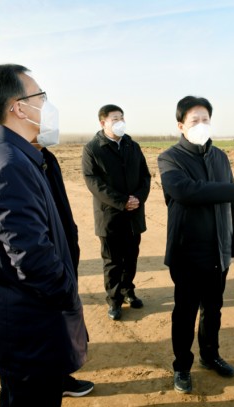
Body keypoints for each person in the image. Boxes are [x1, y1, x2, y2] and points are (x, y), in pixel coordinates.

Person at [0, 64, 89, 406]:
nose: (47, 105)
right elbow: (32, 259)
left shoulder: (4, 153)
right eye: (41, 96)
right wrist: (67, 293)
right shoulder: (8, 165)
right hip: (29, 327)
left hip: (20, 319)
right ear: (18, 107)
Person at [157, 96, 234, 394]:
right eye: (194, 121)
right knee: (185, 311)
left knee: (213, 308)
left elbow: (231, 207)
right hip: (188, 251)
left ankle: (210, 355)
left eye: (205, 120)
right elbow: (187, 191)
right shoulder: (170, 158)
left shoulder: (220, 157)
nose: (201, 125)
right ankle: (182, 366)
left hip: (218, 249)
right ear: (181, 126)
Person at [81, 104, 151, 321]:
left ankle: (128, 290)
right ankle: (114, 300)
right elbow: (93, 182)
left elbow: (145, 176)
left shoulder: (132, 146)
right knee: (112, 261)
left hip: (134, 214)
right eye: (115, 118)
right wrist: (122, 201)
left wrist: (137, 198)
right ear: (103, 123)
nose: (120, 122)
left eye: (122, 117)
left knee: (131, 257)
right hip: (109, 215)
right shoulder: (93, 148)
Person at [40, 146, 94, 398]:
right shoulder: (15, 162)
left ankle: (59, 377)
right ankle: (53, 381)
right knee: (48, 322)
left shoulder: (46, 157)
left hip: (62, 250)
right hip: (47, 262)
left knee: (59, 322)